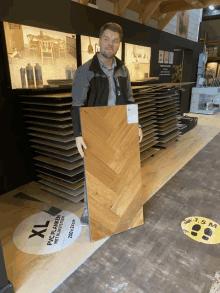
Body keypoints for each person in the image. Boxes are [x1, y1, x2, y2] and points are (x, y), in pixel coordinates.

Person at [70, 22, 143, 226]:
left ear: (119, 44)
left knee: (118, 168)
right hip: (95, 128)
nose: (110, 44)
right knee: (93, 170)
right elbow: (76, 105)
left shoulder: (123, 70)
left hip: (119, 127)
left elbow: (129, 100)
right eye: (107, 39)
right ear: (99, 40)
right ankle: (89, 209)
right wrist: (78, 134)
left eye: (115, 40)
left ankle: (116, 206)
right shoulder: (85, 71)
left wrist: (136, 125)